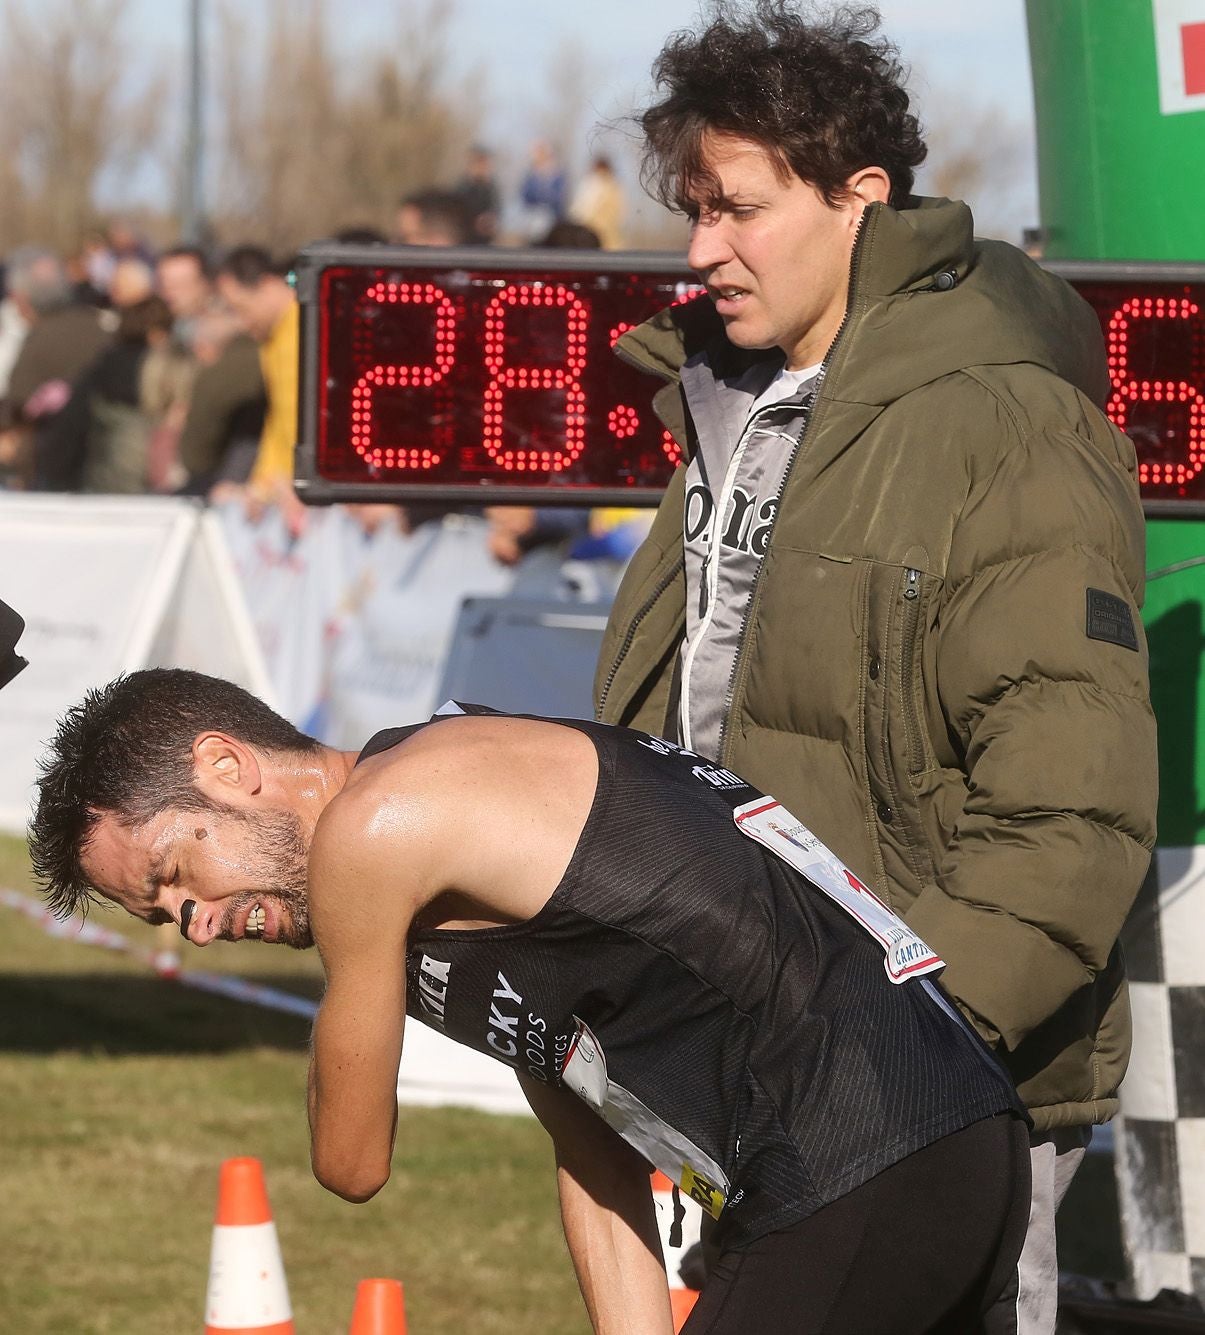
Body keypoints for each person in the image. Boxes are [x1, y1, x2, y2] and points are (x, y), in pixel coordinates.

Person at [593, 6, 1158, 1333]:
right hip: (759, 1056)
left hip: (939, 1084)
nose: (699, 248)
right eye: (691, 207)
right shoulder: (722, 406)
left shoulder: (1003, 420)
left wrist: (913, 1046)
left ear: (860, 197)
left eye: (735, 207)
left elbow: (1068, 805)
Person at [31, 668, 1030, 1334]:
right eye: (162, 919)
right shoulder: (436, 865)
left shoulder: (381, 826)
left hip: (856, 1155)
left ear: (226, 767)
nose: (194, 921)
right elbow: (591, 1144)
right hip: (942, 1138)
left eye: (174, 873)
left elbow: (350, 1164)